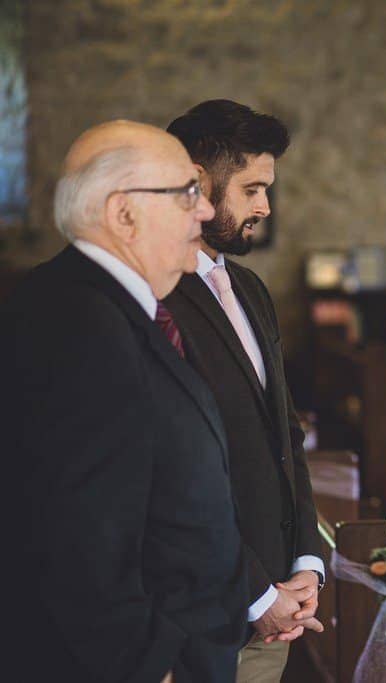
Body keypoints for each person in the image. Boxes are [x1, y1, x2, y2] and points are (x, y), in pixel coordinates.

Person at [1, 120, 248, 682]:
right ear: (123, 214)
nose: (205, 212)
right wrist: (148, 667)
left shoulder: (110, 306)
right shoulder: (75, 322)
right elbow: (72, 540)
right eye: (187, 192)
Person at [163, 100, 324, 682]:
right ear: (201, 184)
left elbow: (286, 434)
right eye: (252, 189)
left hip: (280, 609)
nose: (266, 206)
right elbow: (176, 473)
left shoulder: (251, 290)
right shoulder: (158, 300)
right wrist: (256, 593)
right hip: (200, 616)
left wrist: (307, 561)